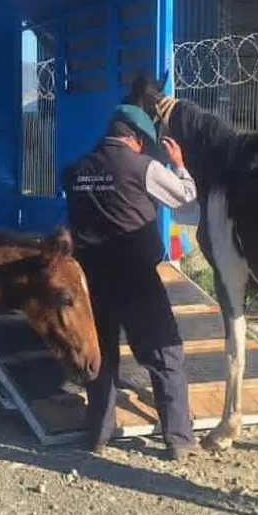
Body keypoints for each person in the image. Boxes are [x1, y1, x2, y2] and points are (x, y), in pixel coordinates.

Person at [61, 104, 199, 461]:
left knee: (102, 355)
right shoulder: (144, 166)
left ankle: (98, 434)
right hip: (136, 278)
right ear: (136, 138)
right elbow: (185, 196)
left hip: (93, 279)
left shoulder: (75, 171)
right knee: (165, 354)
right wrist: (179, 165)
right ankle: (178, 439)